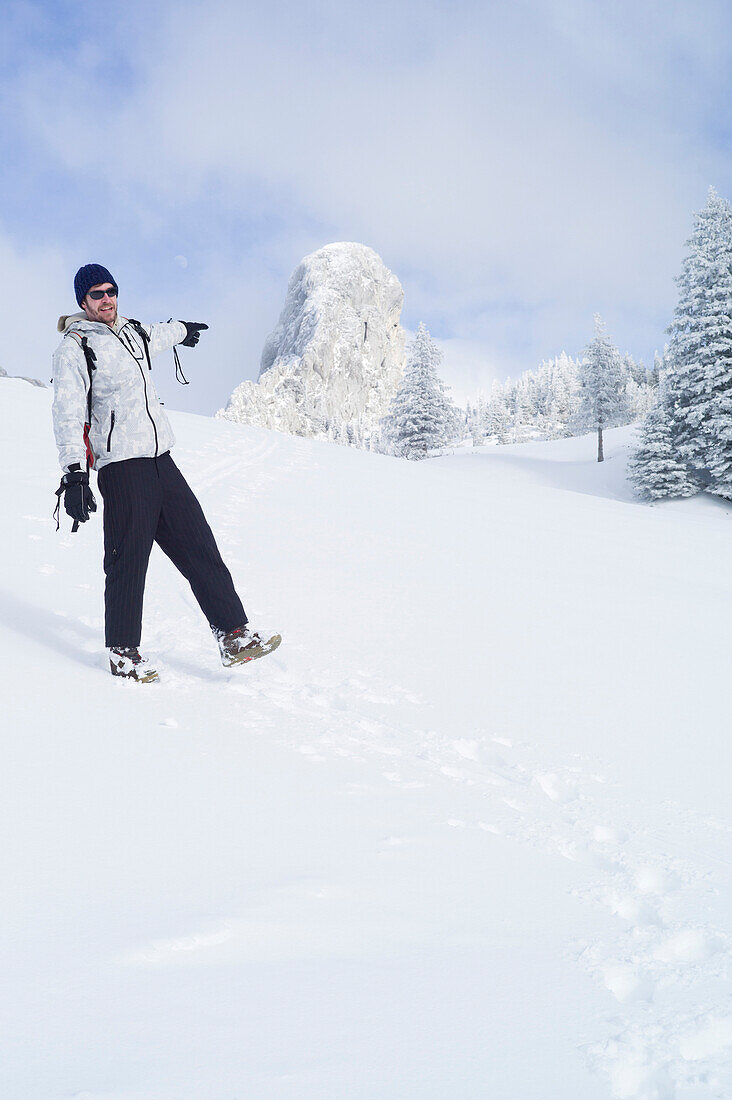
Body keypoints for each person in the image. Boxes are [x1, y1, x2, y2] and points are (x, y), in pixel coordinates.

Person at [52, 263, 281, 682]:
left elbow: (160, 333)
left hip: (162, 461)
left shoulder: (132, 331)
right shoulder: (76, 347)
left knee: (199, 546)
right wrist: (73, 474)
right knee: (127, 560)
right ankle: (123, 651)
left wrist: (183, 330)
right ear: (82, 301)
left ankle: (233, 635)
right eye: (97, 294)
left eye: (112, 291)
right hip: (122, 467)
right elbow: (66, 412)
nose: (107, 299)